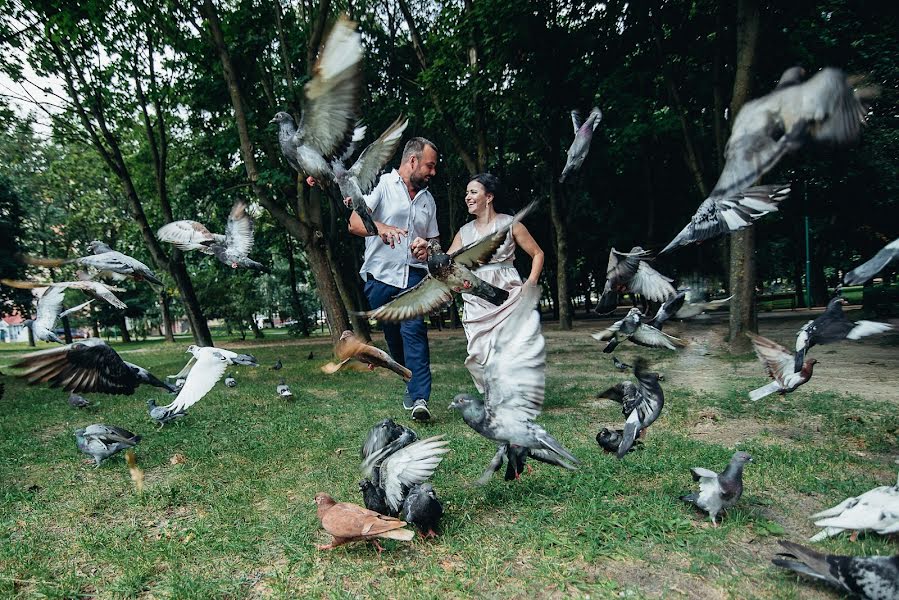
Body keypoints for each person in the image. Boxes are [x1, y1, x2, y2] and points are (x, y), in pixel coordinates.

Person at [348, 137, 439, 421]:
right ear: (412, 161)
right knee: (394, 337)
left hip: (414, 276)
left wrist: (428, 249)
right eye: (429, 166)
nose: (432, 173)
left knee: (414, 333)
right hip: (380, 276)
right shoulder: (381, 185)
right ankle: (407, 379)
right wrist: (382, 228)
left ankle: (420, 397)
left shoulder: (428, 200)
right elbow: (354, 223)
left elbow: (436, 243)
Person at [445, 173, 545, 392]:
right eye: (466, 193)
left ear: (488, 197)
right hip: (477, 296)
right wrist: (428, 253)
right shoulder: (464, 232)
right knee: (478, 352)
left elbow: (538, 253)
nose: (467, 197)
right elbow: (446, 264)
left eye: (473, 192)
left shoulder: (510, 224)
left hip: (508, 293)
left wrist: (531, 282)